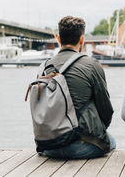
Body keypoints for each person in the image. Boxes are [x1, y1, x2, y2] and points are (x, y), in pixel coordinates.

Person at [43, 16, 115, 159]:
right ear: (82, 40)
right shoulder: (92, 65)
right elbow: (106, 110)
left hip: (50, 146)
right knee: (111, 140)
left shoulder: (45, 66)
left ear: (58, 38)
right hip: (82, 146)